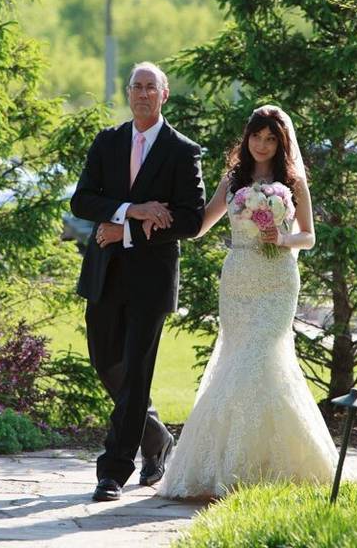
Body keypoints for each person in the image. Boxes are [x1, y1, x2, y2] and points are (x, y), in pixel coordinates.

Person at [156, 104, 338, 501]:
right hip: (238, 280)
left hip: (277, 281)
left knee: (263, 359)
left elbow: (309, 236)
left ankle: (274, 468)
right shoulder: (233, 179)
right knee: (237, 361)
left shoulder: (293, 182)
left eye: (271, 138)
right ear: (248, 137)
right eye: (257, 136)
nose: (262, 144)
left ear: (281, 142)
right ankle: (224, 467)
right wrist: (163, 214)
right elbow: (202, 224)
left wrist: (283, 239)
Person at [70, 62, 205, 502]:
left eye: (152, 87)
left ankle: (112, 471)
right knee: (106, 361)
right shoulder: (107, 142)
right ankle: (157, 437)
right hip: (104, 273)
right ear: (128, 94)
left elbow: (189, 218)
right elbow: (82, 199)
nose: (143, 94)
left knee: (137, 372)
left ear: (164, 95)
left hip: (151, 280)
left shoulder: (182, 151)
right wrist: (133, 210)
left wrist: (125, 231)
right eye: (137, 87)